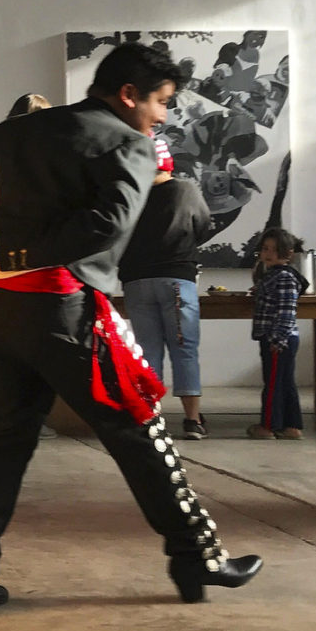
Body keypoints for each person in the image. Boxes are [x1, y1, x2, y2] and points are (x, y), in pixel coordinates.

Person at [0, 42, 263, 613]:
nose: (163, 116)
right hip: (59, 310)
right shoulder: (127, 141)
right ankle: (197, 556)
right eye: (162, 103)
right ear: (128, 95)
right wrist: (25, 254)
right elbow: (107, 225)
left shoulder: (8, 133)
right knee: (136, 428)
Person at [118, 137, 214, 441]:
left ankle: (151, 420)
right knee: (184, 350)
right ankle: (192, 420)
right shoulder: (186, 190)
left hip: (135, 282)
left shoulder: (133, 195)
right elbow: (203, 226)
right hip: (176, 281)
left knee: (147, 353)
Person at [248, 227, 307, 440]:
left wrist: (278, 338)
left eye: (274, 249)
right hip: (278, 338)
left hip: (277, 339)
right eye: (265, 249)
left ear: (288, 253)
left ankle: (268, 426)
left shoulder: (284, 277)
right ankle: (291, 425)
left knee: (273, 384)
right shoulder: (273, 276)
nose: (268, 254)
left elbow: (286, 311)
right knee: (284, 381)